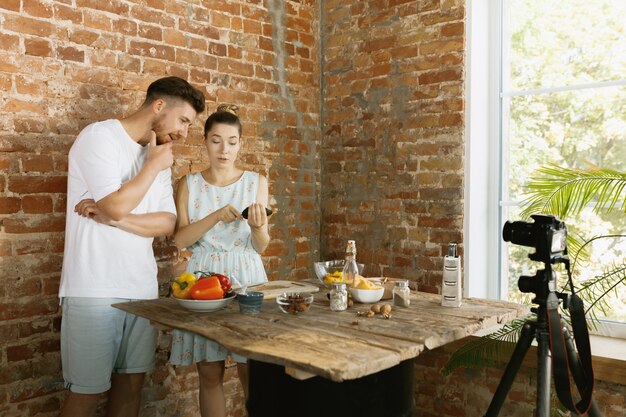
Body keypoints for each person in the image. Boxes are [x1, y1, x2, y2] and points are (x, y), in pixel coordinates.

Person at [59, 76, 205, 417]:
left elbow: (167, 223)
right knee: (85, 395)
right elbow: (117, 204)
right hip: (93, 290)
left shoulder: (157, 153)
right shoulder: (100, 138)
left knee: (131, 389)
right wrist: (152, 167)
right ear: (158, 106)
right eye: (183, 120)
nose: (185, 132)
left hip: (141, 291)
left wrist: (113, 219)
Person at [170, 104, 271, 417]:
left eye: (231, 141)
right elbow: (180, 239)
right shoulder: (188, 184)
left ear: (240, 143)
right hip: (203, 281)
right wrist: (215, 216)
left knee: (252, 370)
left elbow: (261, 246)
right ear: (205, 142)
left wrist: (256, 227)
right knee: (209, 372)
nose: (224, 149)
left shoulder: (257, 182)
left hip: (247, 275)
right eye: (216, 140)